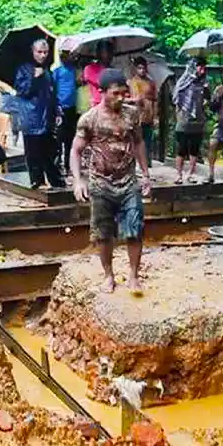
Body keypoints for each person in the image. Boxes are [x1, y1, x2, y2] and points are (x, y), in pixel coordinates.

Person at [70, 68, 152, 294]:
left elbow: (138, 143)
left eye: (124, 94)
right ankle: (108, 276)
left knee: (134, 229)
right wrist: (78, 180)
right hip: (100, 183)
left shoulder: (131, 115)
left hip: (128, 182)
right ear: (102, 91)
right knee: (103, 234)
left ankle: (134, 276)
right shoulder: (89, 119)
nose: (121, 98)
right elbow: (76, 151)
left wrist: (146, 175)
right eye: (115, 93)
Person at [14, 39, 64, 189]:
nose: (43, 55)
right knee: (33, 152)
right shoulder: (24, 69)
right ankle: (37, 180)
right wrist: (34, 78)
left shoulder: (48, 70)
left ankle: (56, 180)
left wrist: (57, 112)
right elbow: (22, 92)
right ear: (33, 52)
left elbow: (52, 93)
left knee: (51, 151)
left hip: (47, 117)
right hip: (31, 117)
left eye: (45, 52)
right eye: (39, 52)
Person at [172, 57, 209, 184]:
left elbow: (207, 99)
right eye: (200, 66)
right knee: (181, 148)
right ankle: (178, 174)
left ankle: (191, 174)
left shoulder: (203, 82)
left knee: (194, 148)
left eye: (204, 67)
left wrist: (207, 95)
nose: (202, 69)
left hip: (198, 119)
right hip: (184, 118)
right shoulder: (185, 80)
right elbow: (176, 96)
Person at [127, 57, 158, 167]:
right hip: (135, 114)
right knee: (135, 140)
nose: (142, 70)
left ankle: (146, 163)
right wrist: (133, 100)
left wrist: (155, 117)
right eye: (139, 68)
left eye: (144, 68)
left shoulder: (151, 82)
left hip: (148, 114)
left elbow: (155, 100)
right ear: (135, 69)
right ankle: (134, 163)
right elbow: (124, 99)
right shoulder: (130, 82)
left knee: (147, 140)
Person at [53, 47, 80, 174]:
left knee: (70, 138)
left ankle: (69, 166)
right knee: (59, 138)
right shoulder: (57, 72)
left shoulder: (74, 71)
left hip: (72, 108)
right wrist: (56, 105)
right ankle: (57, 164)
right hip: (60, 108)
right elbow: (52, 89)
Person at [83, 41, 114, 108]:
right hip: (97, 106)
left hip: (112, 105)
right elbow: (101, 83)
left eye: (111, 52)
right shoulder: (89, 68)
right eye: (106, 52)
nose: (109, 55)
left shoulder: (113, 70)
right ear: (99, 53)